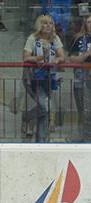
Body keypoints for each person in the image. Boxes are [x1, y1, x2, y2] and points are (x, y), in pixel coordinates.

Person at [22, 15, 66, 143]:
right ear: (39, 25)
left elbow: (62, 56)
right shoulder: (33, 38)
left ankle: (41, 141)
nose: (48, 26)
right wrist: (40, 58)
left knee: (45, 110)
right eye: (45, 23)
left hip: (49, 78)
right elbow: (25, 57)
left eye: (50, 23)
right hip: (33, 78)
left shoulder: (55, 38)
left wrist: (57, 59)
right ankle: (27, 117)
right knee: (45, 108)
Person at [69, 14, 91, 143]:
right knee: (84, 111)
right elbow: (71, 58)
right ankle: (85, 138)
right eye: (89, 22)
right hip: (82, 80)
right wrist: (86, 55)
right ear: (85, 24)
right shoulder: (79, 39)